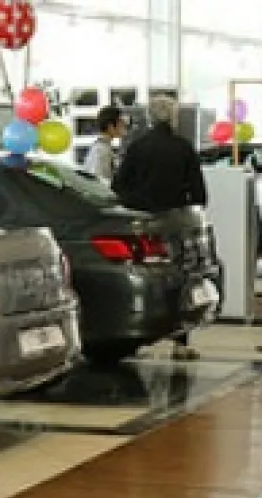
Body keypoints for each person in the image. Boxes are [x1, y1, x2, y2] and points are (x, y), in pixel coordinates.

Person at [112, 95, 209, 359]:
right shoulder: (184, 148)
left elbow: (118, 186)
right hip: (175, 223)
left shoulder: (137, 147)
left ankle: (137, 337)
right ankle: (180, 341)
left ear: (149, 118)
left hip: (143, 223)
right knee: (180, 282)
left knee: (143, 278)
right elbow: (199, 193)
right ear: (173, 118)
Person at [81, 105, 125, 183]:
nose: (124, 125)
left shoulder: (104, 147)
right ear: (110, 126)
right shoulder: (100, 150)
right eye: (121, 122)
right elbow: (97, 179)